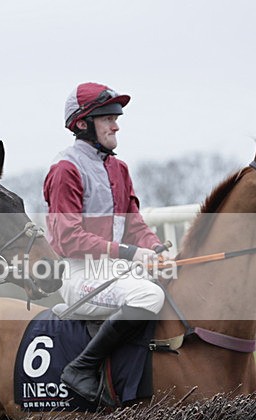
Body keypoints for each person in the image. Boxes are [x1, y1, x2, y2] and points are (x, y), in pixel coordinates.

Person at [44, 82, 169, 403]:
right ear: (82, 124)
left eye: (116, 118)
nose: (116, 125)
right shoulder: (65, 169)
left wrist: (155, 249)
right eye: (108, 118)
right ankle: (81, 368)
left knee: (175, 286)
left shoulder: (118, 168)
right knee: (148, 295)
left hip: (115, 272)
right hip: (80, 275)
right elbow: (68, 238)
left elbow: (134, 224)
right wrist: (130, 252)